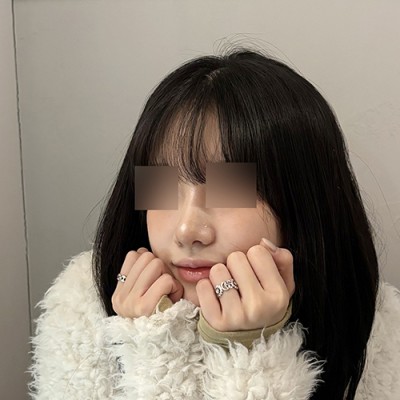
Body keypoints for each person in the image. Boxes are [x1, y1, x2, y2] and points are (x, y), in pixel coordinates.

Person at [29, 49, 400, 400]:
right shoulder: (83, 304)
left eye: (229, 189)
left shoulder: (378, 328)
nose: (187, 231)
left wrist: (252, 353)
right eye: (162, 188)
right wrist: (156, 343)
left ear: (303, 203)